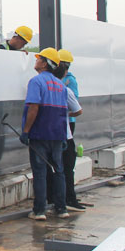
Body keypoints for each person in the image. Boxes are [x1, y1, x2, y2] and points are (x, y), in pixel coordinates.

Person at [20, 47, 70, 221]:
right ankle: (61, 208)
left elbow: (33, 107)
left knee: (40, 172)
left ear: (45, 63)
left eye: (39, 58)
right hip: (57, 134)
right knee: (59, 171)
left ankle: (39, 210)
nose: (36, 60)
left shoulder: (36, 82)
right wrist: (64, 136)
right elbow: (64, 112)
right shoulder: (61, 85)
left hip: (40, 133)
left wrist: (26, 131)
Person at [54, 49, 88, 211]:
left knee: (65, 160)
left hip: (67, 123)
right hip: (62, 123)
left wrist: (63, 113)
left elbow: (75, 105)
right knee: (62, 160)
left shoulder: (69, 81)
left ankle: (66, 196)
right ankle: (62, 196)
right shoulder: (59, 81)